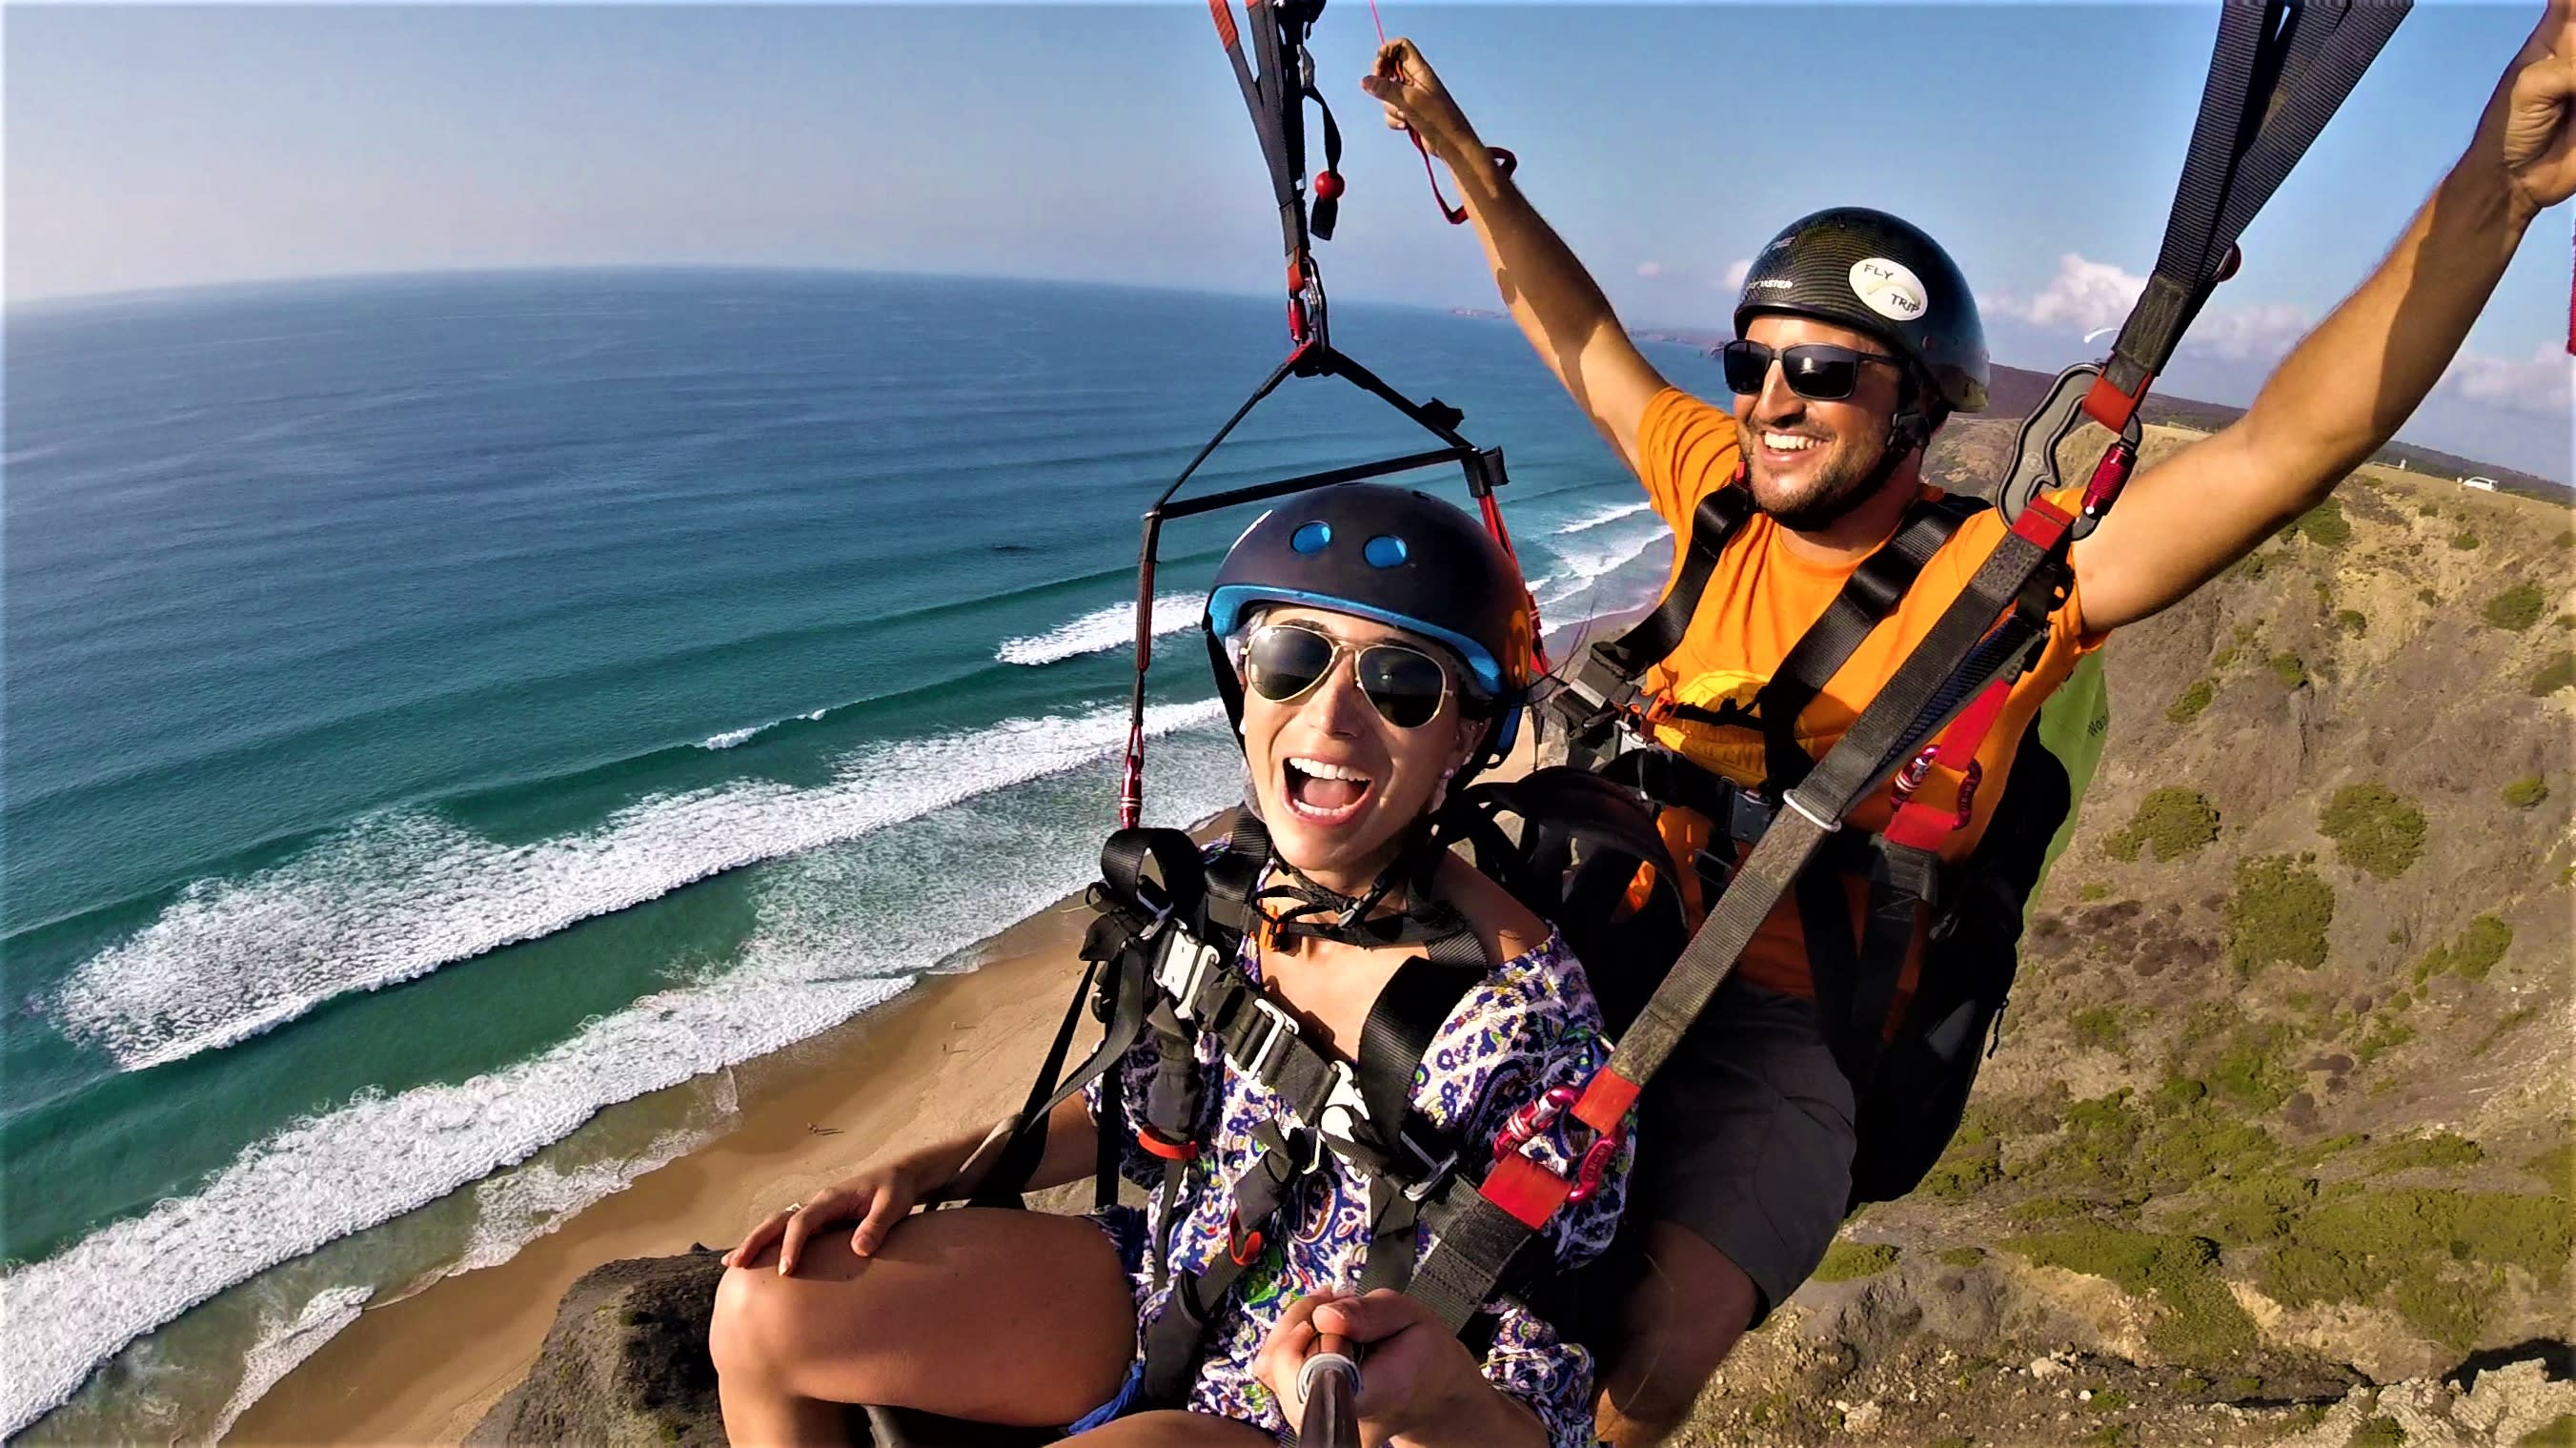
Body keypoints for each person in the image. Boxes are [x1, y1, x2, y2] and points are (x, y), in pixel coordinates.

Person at [1358, 9, 2574, 1444]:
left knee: (1658, 1328)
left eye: (1821, 372)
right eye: (1752, 363)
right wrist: (1462, 160)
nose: (1766, 399)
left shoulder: (2000, 588)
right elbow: (1578, 338)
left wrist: (2495, 184)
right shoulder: (1711, 486)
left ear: (1915, 405)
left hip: (1771, 1017)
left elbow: (2284, 449)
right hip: (1588, 929)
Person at [706, 483, 1636, 1448]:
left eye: (1401, 685)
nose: (1330, 718)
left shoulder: (1529, 1027)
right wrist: (918, 1166)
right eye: (1293, 658)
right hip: (1164, 1284)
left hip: (1317, 1408)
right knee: (759, 1309)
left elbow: (1547, 1400)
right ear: (1247, 686)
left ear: (1469, 733)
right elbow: (1133, 1105)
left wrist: (1436, 1397)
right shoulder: (1237, 891)